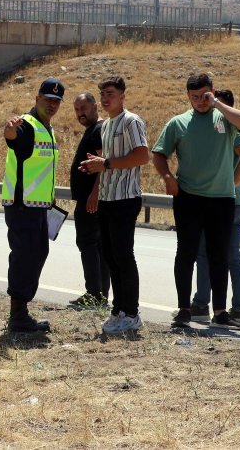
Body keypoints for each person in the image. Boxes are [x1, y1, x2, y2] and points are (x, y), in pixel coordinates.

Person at [152, 74, 240, 329]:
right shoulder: (178, 123)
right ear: (188, 96)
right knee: (186, 253)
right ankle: (185, 309)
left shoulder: (225, 119)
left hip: (221, 200)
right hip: (188, 198)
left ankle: (220, 312)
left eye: (204, 96)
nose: (200, 101)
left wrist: (217, 104)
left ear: (212, 92)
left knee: (219, 256)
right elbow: (159, 154)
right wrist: (168, 177)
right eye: (195, 97)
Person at [78, 77, 150, 334]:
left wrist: (106, 163)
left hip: (125, 198)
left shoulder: (132, 121)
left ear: (122, 95)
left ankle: (131, 312)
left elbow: (143, 155)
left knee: (123, 254)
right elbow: (105, 163)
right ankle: (119, 310)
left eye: (110, 93)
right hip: (108, 198)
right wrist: (95, 169)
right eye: (103, 94)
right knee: (109, 255)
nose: (106, 98)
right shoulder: (106, 125)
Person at [189, 89, 240, 326]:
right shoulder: (230, 129)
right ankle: (239, 309)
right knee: (230, 256)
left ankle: (200, 304)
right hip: (237, 202)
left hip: (223, 201)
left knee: (206, 255)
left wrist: (230, 184)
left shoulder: (228, 129)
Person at [1, 77, 64, 333]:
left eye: (56, 101)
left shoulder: (46, 128)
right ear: (37, 98)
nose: (52, 105)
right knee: (24, 257)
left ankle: (22, 311)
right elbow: (13, 138)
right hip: (22, 205)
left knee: (37, 255)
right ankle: (18, 316)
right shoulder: (27, 125)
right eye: (47, 99)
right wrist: (9, 131)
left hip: (38, 206)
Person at [68, 92, 110, 308]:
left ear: (95, 106)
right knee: (98, 246)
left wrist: (95, 194)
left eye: (83, 108)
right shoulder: (94, 130)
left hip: (91, 200)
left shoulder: (98, 130)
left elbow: (103, 166)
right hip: (91, 199)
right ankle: (99, 294)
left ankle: (94, 294)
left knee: (88, 243)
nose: (80, 113)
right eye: (76, 110)